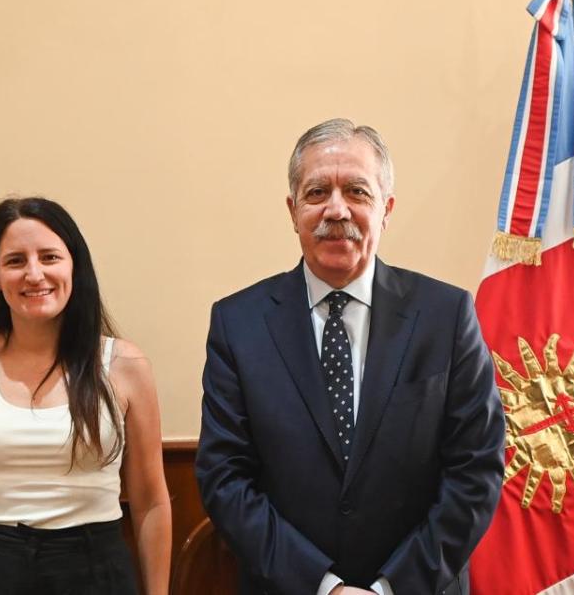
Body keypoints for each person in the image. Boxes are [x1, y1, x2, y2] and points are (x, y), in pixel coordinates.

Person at [195, 118, 505, 595]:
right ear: (292, 209)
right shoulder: (238, 325)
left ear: (387, 209)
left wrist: (390, 587)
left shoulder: (447, 316)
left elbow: (476, 469)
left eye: (357, 192)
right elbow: (225, 478)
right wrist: (326, 587)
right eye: (317, 192)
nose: (335, 209)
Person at [0, 197, 170, 595]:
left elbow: (150, 501)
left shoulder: (125, 364)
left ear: (74, 265)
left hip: (94, 566)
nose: (34, 274)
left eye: (49, 257)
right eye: (15, 261)